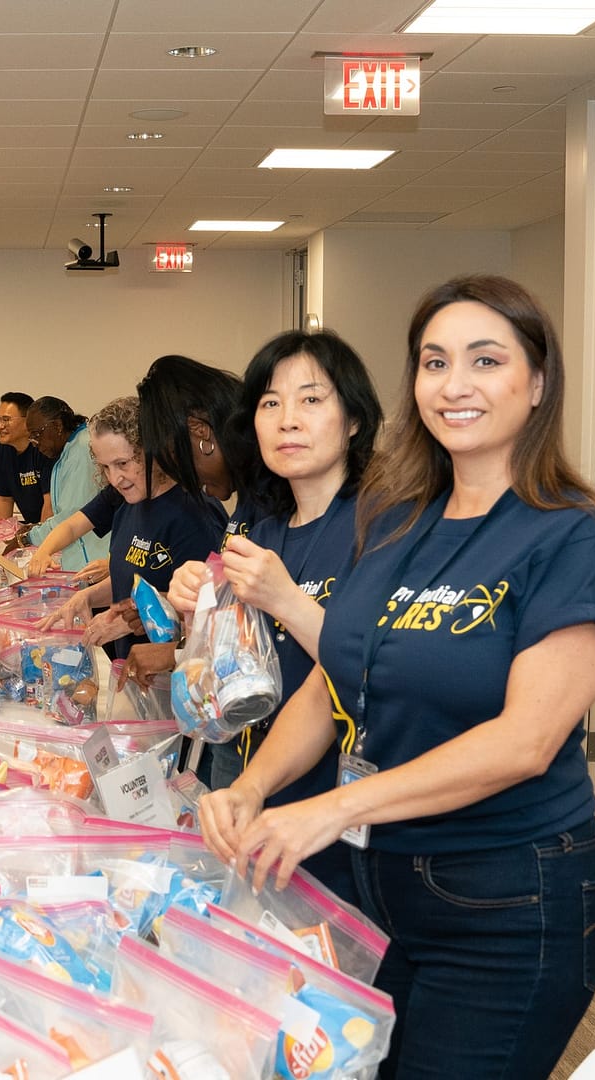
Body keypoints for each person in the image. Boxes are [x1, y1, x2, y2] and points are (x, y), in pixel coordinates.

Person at [199, 276, 595, 1078]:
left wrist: (331, 809)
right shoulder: (396, 522)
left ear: (536, 382)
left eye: (484, 359)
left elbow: (524, 741)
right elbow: (331, 684)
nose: (455, 384)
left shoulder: (572, 541)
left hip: (505, 902)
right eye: (434, 362)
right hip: (382, 892)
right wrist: (252, 787)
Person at [168, 329, 382, 890]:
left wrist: (285, 599)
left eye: (311, 399)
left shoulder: (384, 527)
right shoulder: (261, 534)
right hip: (264, 782)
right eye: (270, 403)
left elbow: (376, 670)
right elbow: (229, 673)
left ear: (354, 420)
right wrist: (197, 607)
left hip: (350, 801)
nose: (288, 419)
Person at [39, 397, 225, 660]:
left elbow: (211, 607)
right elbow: (132, 578)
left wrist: (127, 621)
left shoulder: (194, 514)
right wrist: (89, 597)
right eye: (105, 467)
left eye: (123, 464)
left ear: (152, 452)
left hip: (177, 676)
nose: (114, 478)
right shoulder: (130, 501)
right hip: (134, 668)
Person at [110, 355, 254, 687]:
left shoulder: (270, 507)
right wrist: (173, 608)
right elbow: (234, 611)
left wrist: (177, 653)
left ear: (201, 433)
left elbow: (267, 633)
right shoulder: (248, 504)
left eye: (181, 463)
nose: (191, 483)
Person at [24, 397, 108, 573]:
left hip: (96, 563)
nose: (35, 444)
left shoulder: (82, 450)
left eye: (37, 434)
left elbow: (71, 517)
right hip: (88, 563)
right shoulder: (69, 450)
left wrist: (29, 537)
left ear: (57, 426)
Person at [0, 391, 52, 524]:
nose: (0, 426)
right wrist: (1, 536)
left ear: (27, 421)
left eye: (6, 420)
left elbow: (50, 505)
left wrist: (40, 540)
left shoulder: (44, 449)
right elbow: (3, 498)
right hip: (32, 529)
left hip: (54, 531)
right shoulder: (2, 449)